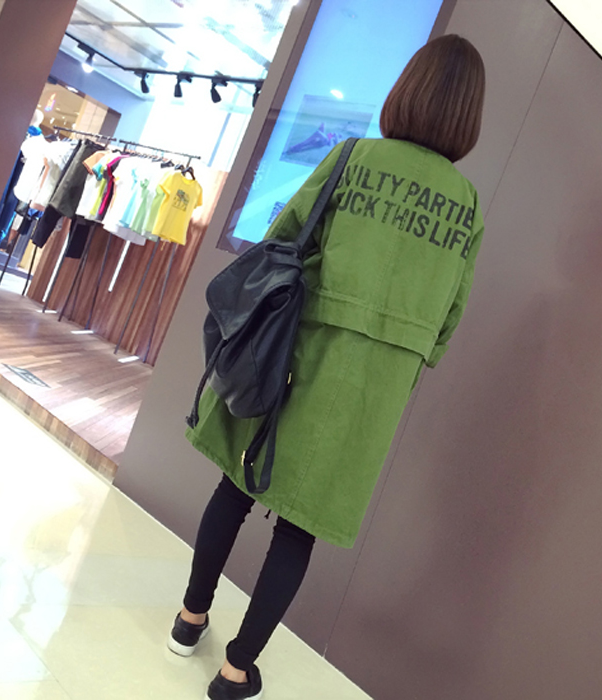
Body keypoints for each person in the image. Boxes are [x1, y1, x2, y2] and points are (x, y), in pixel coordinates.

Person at [170, 34, 487, 700]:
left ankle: (189, 620)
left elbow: (285, 236)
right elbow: (449, 317)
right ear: (469, 116)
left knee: (236, 486)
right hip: (372, 388)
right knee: (299, 528)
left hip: (294, 351)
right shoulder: (466, 205)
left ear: (406, 92)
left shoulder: (353, 157)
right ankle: (236, 672)